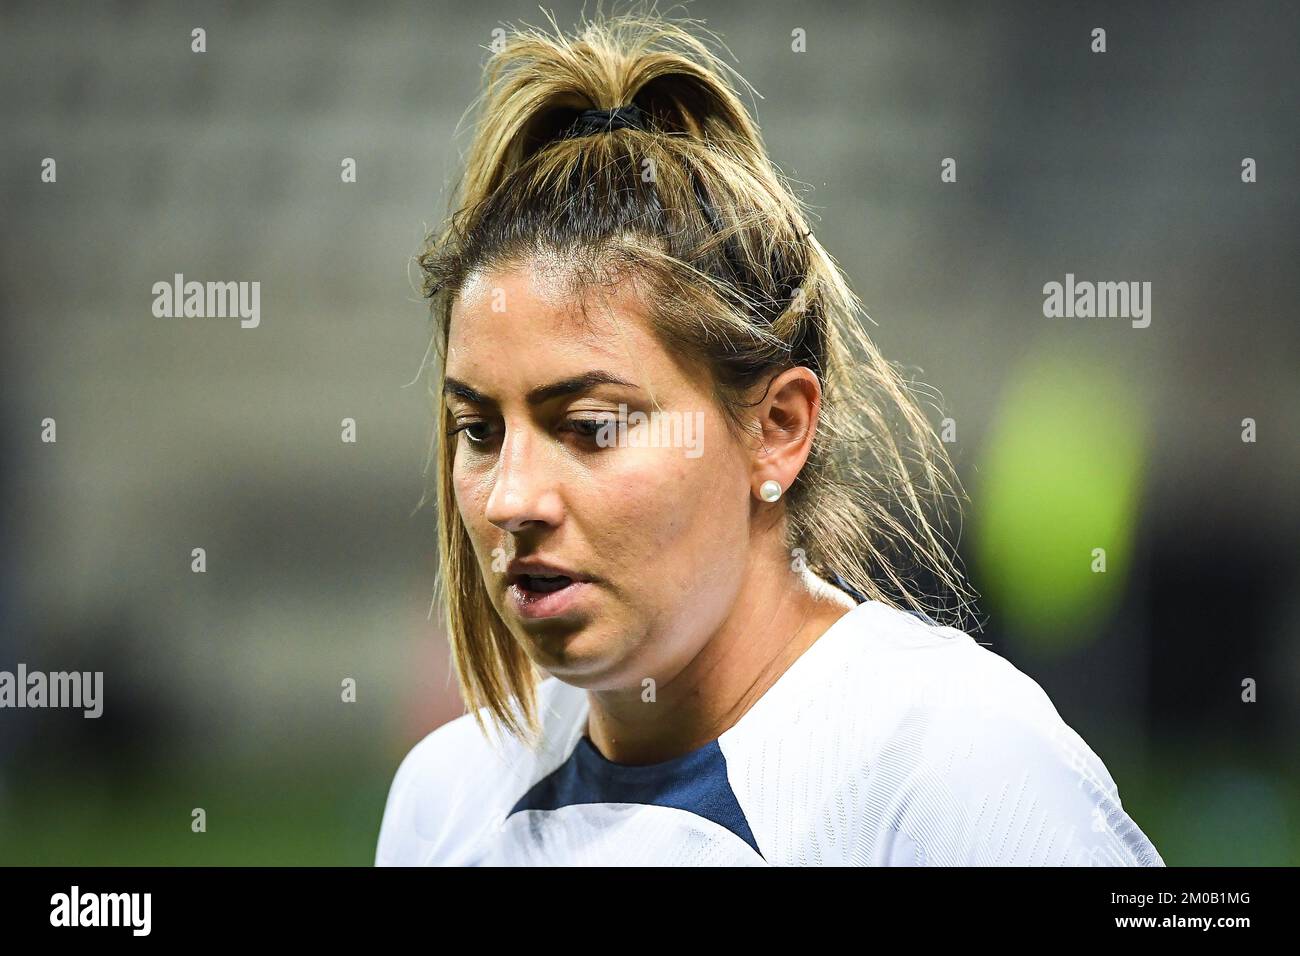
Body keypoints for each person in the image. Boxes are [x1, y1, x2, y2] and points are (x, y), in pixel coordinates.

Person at [375, 9, 1164, 866]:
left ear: (776, 429)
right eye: (479, 430)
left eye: (592, 428)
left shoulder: (952, 771)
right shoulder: (444, 799)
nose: (511, 497)